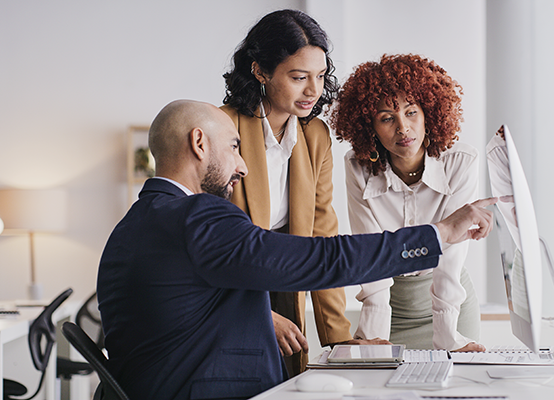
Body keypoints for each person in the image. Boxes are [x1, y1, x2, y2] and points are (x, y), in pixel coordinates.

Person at [97, 99, 496, 400]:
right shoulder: (196, 216)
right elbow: (319, 259)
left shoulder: (138, 222)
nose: (243, 166)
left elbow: (189, 307)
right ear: (199, 143)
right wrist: (440, 233)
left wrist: (259, 314)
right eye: (234, 147)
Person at [219, 9, 365, 376]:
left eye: (319, 76)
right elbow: (202, 246)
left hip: (283, 281)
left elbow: (322, 238)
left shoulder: (315, 137)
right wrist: (259, 314)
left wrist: (339, 340)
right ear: (261, 71)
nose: (313, 91)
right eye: (299, 77)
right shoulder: (223, 128)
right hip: (225, 291)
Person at [330, 54, 486, 352]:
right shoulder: (357, 167)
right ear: (370, 127)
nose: (403, 128)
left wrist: (449, 339)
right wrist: (373, 339)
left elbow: (449, 257)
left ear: (429, 113)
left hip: (451, 304)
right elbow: (370, 251)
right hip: (392, 306)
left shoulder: (461, 163)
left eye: (411, 112)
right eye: (387, 118)